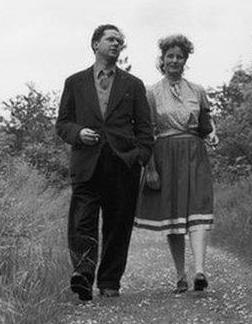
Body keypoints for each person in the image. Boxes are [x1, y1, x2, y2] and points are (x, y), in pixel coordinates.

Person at [56, 24, 153, 301]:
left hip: (123, 166)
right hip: (86, 164)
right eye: (111, 39)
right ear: (95, 44)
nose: (117, 44)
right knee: (82, 222)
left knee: (118, 225)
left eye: (120, 41)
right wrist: (78, 133)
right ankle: (84, 275)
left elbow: (146, 130)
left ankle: (110, 281)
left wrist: (139, 158)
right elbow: (62, 124)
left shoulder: (133, 85)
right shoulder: (74, 82)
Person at [134, 34, 218, 294]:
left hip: (194, 153)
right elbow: (146, 132)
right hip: (166, 154)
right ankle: (181, 275)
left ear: (185, 60)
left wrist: (212, 133)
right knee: (174, 217)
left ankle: (200, 271)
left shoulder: (197, 90)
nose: (174, 60)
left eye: (179, 56)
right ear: (162, 59)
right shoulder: (151, 92)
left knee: (198, 211)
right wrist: (150, 168)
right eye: (170, 56)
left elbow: (205, 123)